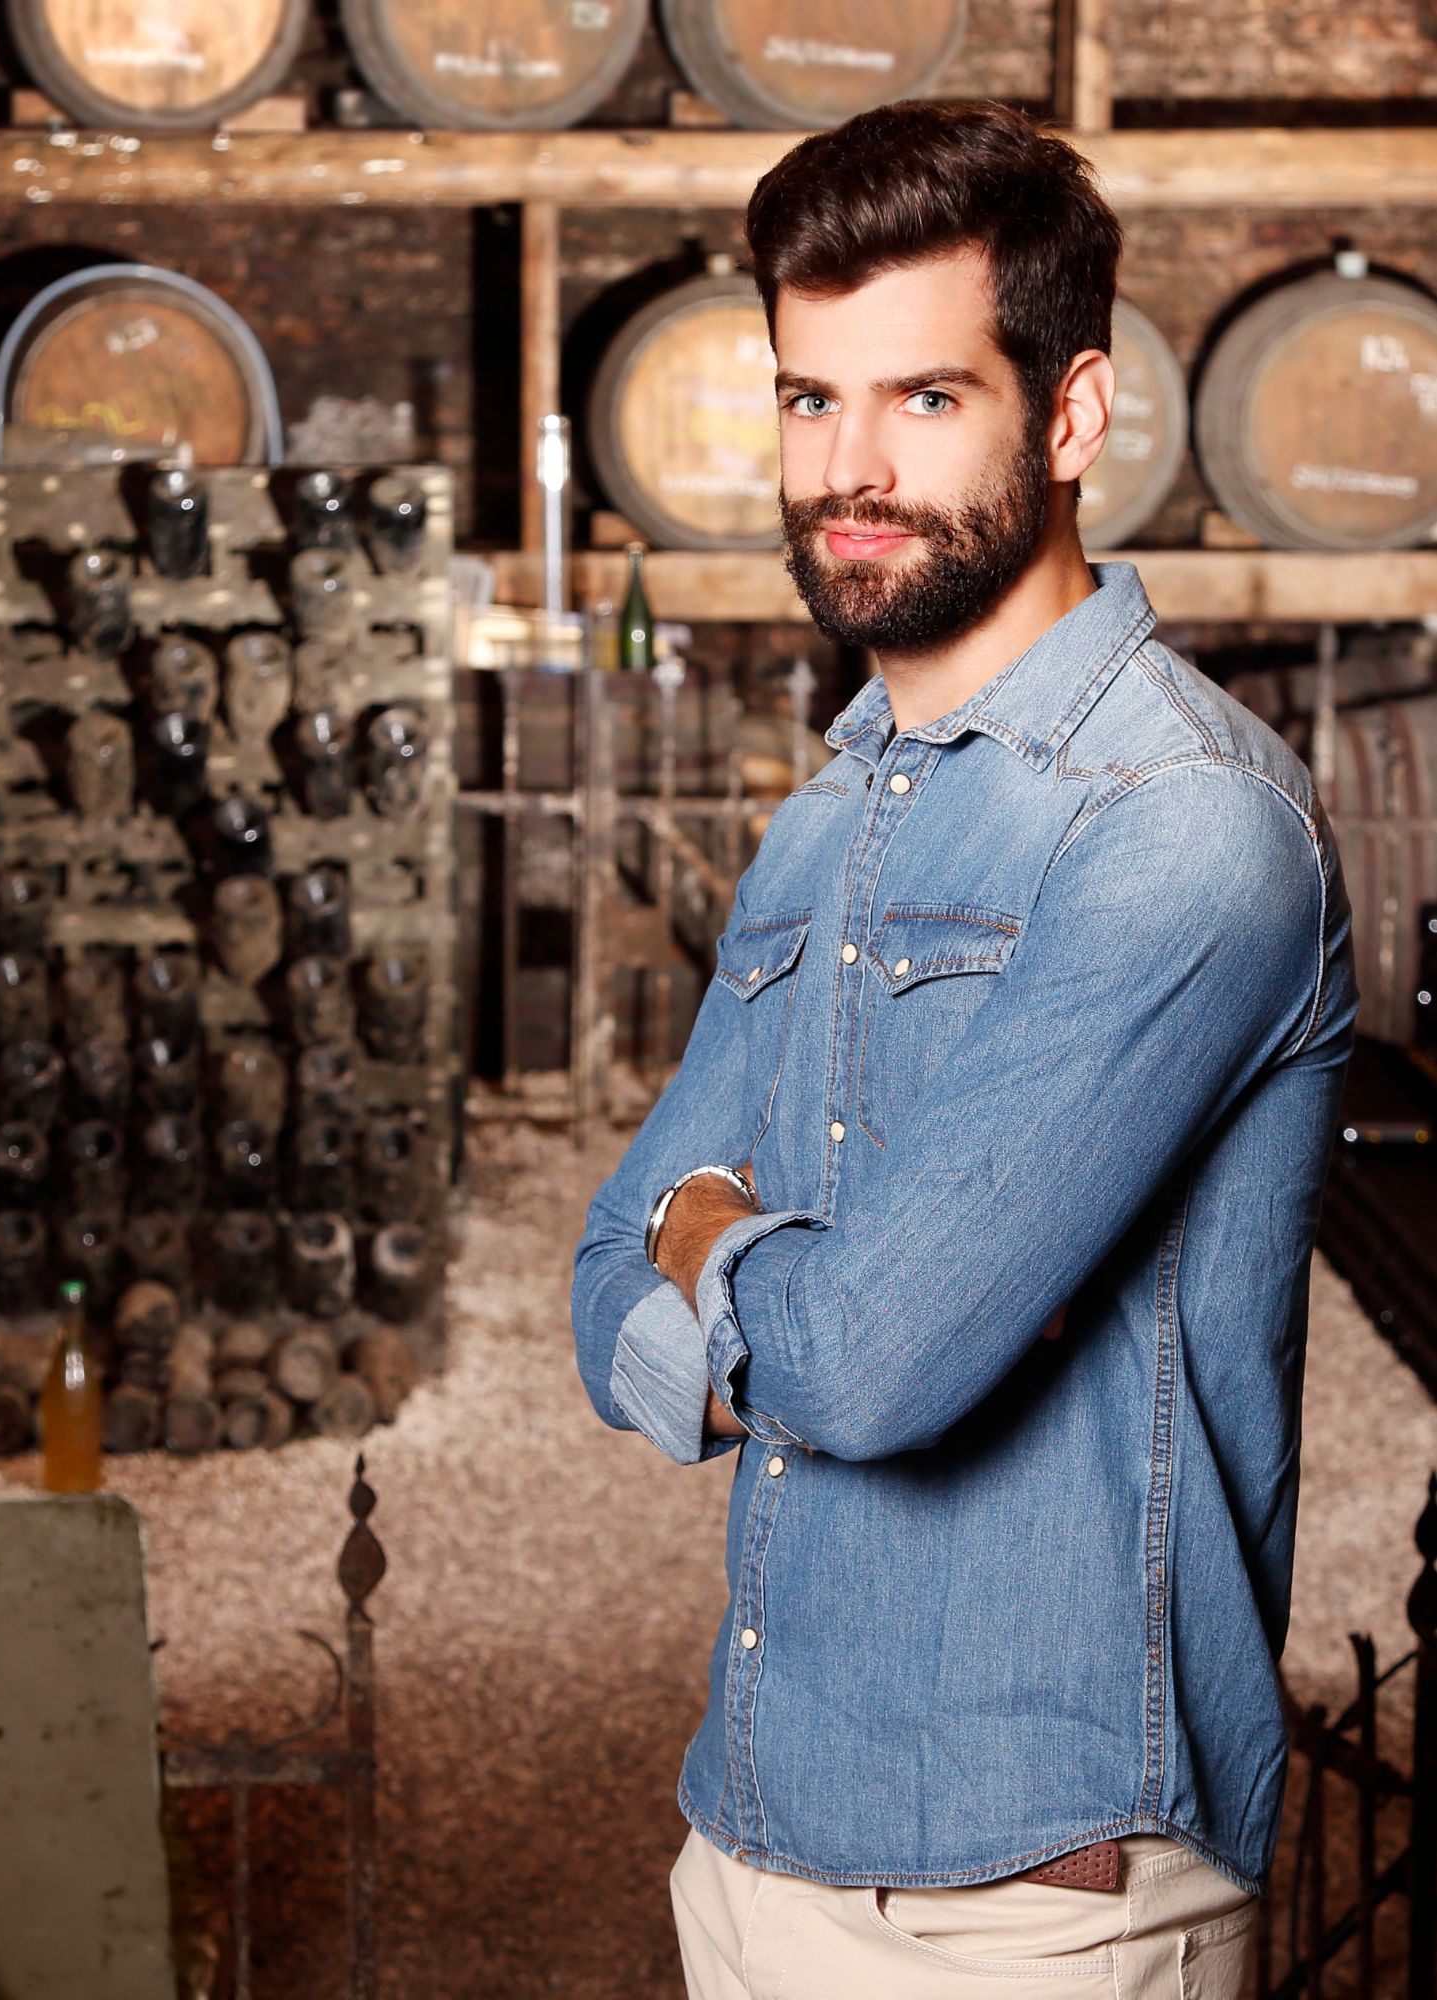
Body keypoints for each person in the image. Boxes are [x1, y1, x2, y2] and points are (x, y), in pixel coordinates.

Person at [570, 99, 1356, 1999]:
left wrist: (712, 1241)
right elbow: (600, 1296)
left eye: (923, 399)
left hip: (1031, 1910)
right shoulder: (835, 811)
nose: (847, 467)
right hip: (753, 1843)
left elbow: (873, 1362)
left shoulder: (1181, 828)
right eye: (805, 399)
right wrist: (713, 1257)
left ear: (1069, 417)